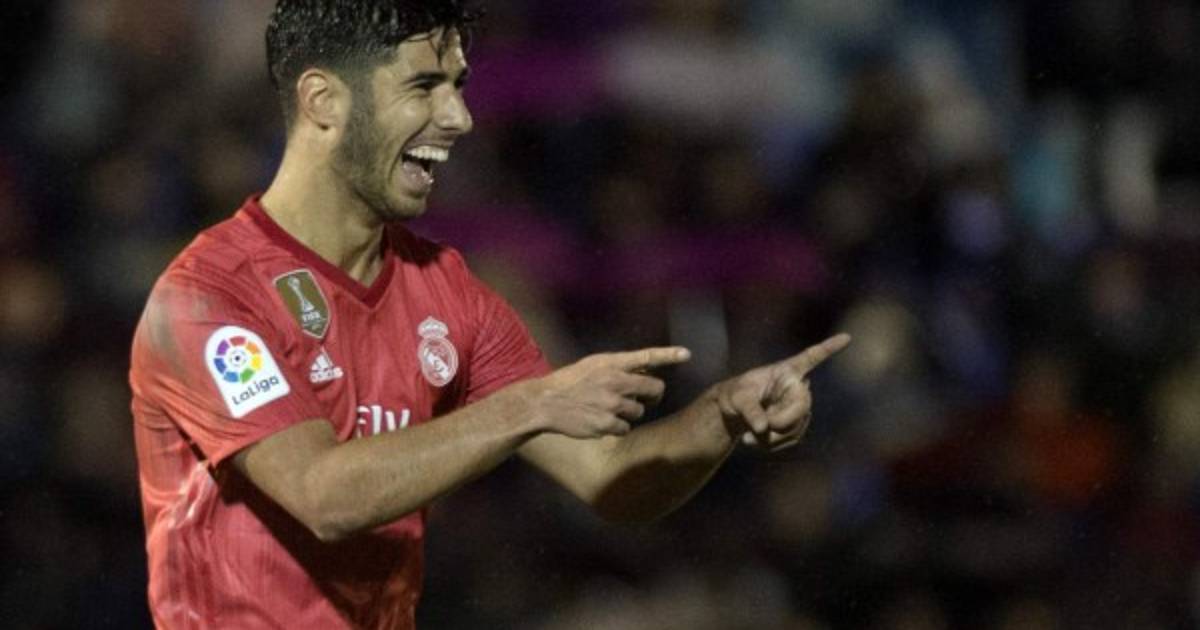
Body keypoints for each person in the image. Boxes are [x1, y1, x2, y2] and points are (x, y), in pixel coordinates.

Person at [128, 1, 851, 627]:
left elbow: (609, 478)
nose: (460, 117)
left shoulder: (447, 291)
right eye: (424, 86)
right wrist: (529, 405)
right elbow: (324, 496)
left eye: (458, 86)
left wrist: (721, 416)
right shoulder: (207, 296)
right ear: (323, 100)